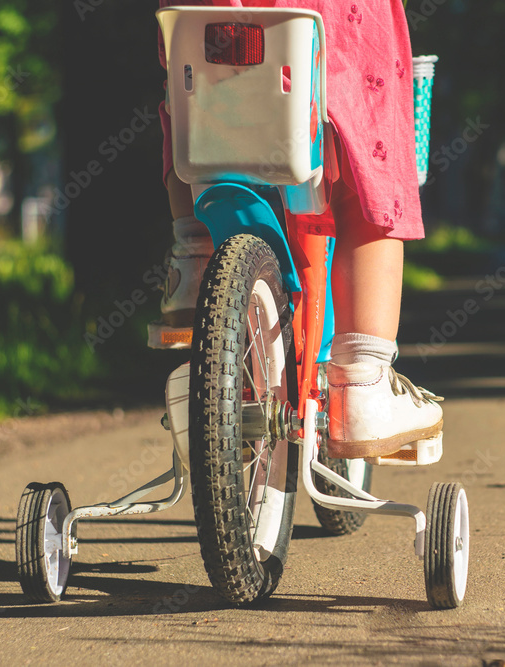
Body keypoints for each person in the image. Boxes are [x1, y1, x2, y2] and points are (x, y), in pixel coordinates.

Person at [154, 0, 442, 459]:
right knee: (363, 168)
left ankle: (195, 260)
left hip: (218, 20)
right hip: (333, 19)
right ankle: (363, 382)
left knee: (198, 115)